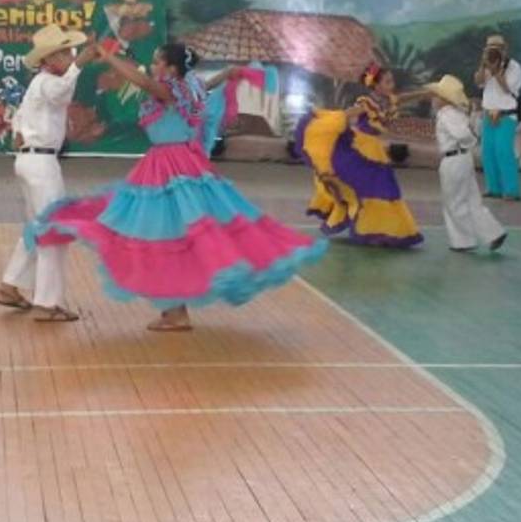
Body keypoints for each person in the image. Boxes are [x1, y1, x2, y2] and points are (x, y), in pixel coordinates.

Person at [26, 43, 327, 332]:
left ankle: (175, 313)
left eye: (159, 61)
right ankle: (175, 312)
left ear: (171, 68)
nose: (154, 66)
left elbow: (142, 81)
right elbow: (204, 88)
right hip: (180, 164)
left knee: (163, 232)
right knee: (175, 233)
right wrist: (226, 75)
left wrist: (109, 56)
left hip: (169, 167)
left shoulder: (170, 89)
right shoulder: (190, 86)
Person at [0, 25, 97, 322]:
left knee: (37, 227)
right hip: (41, 164)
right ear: (49, 58)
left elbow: (20, 121)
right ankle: (47, 303)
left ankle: (10, 285)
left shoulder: (39, 82)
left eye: (70, 52)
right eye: (64, 52)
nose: (70, 56)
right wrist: (81, 64)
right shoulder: (47, 82)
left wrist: (78, 64)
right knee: (53, 231)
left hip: (31, 161)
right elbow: (61, 91)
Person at [294, 62, 424, 247]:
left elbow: (403, 98)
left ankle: (377, 227)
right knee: (368, 187)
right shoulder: (367, 102)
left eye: (391, 81)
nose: (391, 85)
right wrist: (328, 120)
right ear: (376, 85)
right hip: (361, 147)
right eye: (387, 82)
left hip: (375, 150)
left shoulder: (388, 100)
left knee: (383, 189)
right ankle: (371, 227)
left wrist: (428, 93)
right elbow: (346, 114)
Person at [426, 75, 506, 253]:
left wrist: (469, 142)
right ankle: (494, 233)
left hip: (453, 160)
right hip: (463, 159)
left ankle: (463, 241)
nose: (433, 98)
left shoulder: (446, 114)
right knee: (472, 199)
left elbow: (462, 134)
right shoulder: (456, 113)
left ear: (444, 99)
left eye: (436, 95)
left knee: (453, 202)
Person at [473, 34, 521, 201]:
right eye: (490, 46)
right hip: (488, 113)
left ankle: (511, 190)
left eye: (497, 46)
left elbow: (507, 89)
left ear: (505, 48)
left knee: (503, 151)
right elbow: (478, 82)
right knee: (488, 152)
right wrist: (483, 65)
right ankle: (493, 188)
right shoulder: (486, 65)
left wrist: (496, 70)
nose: (494, 49)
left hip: (506, 115)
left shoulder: (514, 66)